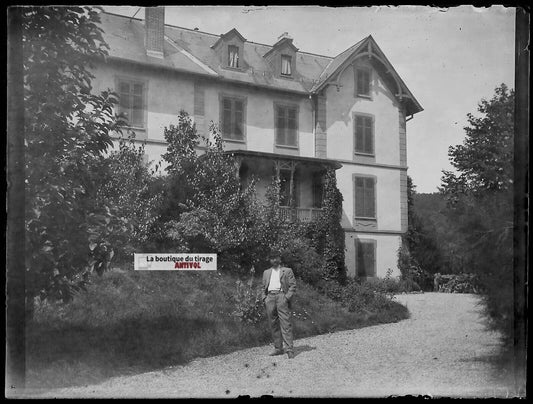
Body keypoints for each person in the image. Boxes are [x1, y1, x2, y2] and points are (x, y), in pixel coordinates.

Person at [262, 252, 297, 359]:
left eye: (276, 258)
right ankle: (278, 348)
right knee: (273, 324)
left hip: (282, 296)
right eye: (272, 258)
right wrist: (264, 298)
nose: (274, 260)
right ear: (270, 260)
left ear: (280, 259)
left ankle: (289, 349)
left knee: (285, 323)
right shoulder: (266, 272)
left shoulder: (287, 271)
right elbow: (262, 286)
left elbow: (293, 286)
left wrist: (286, 297)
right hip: (270, 297)